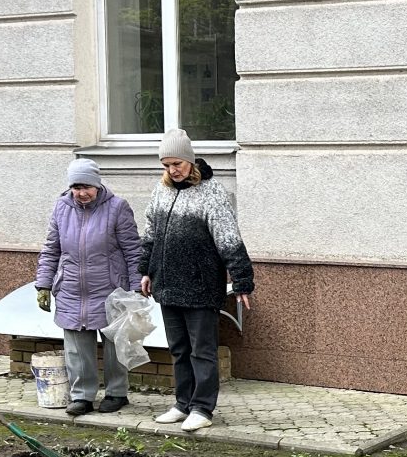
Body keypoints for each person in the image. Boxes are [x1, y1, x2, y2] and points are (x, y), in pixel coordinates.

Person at [138, 129, 253, 434]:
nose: (172, 170)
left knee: (202, 350)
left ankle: (202, 408)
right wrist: (145, 270)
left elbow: (228, 237)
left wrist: (241, 279)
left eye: (177, 163)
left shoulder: (211, 192)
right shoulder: (161, 190)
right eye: (166, 165)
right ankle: (183, 403)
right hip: (167, 284)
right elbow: (150, 234)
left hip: (201, 286)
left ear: (190, 161)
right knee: (178, 349)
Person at [35, 158, 144, 418]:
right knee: (76, 346)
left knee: (114, 344)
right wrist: (43, 283)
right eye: (76, 187)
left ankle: (117, 393)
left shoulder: (117, 207)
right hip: (72, 288)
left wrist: (136, 288)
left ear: (97, 185)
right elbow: (51, 249)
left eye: (86, 187)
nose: (81, 192)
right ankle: (82, 396)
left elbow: (133, 250)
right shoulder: (61, 207)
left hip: (110, 288)